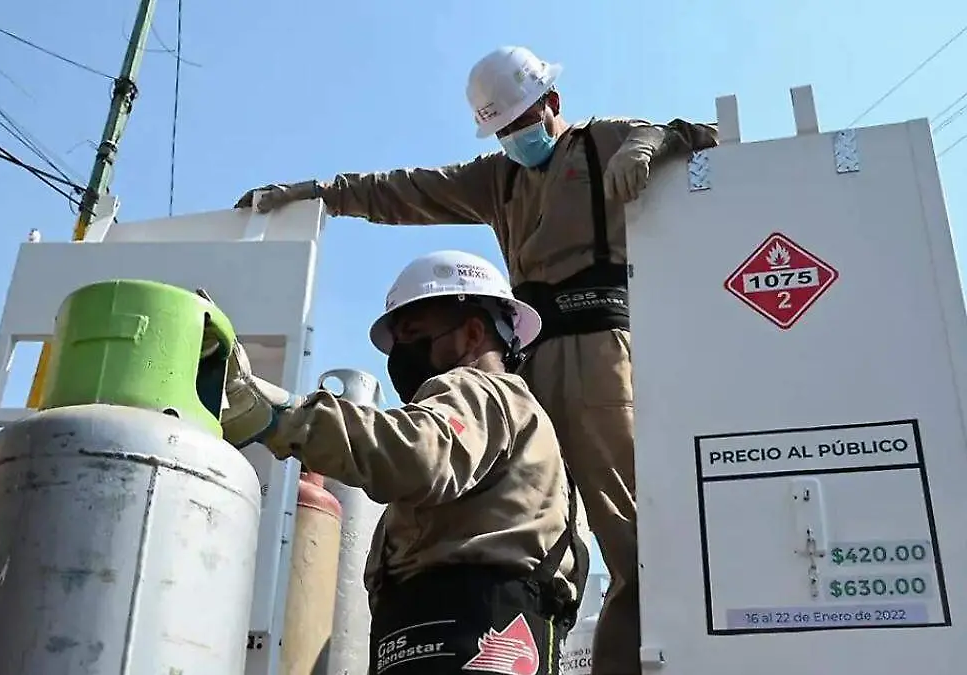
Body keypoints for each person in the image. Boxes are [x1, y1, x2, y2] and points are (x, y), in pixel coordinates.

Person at [233, 46, 719, 675]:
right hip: (526, 361)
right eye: (504, 130)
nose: (516, 139)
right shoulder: (500, 180)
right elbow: (406, 192)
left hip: (598, 353)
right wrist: (319, 194)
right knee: (515, 517)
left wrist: (654, 140)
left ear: (553, 104)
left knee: (633, 551)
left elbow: (708, 138)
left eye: (522, 123)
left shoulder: (603, 144)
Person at [220, 250, 590, 675]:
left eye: (415, 333)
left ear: (472, 335)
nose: (401, 354)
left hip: (473, 641)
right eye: (397, 342)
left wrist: (282, 416)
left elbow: (418, 455)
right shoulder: (519, 428)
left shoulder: (478, 389)